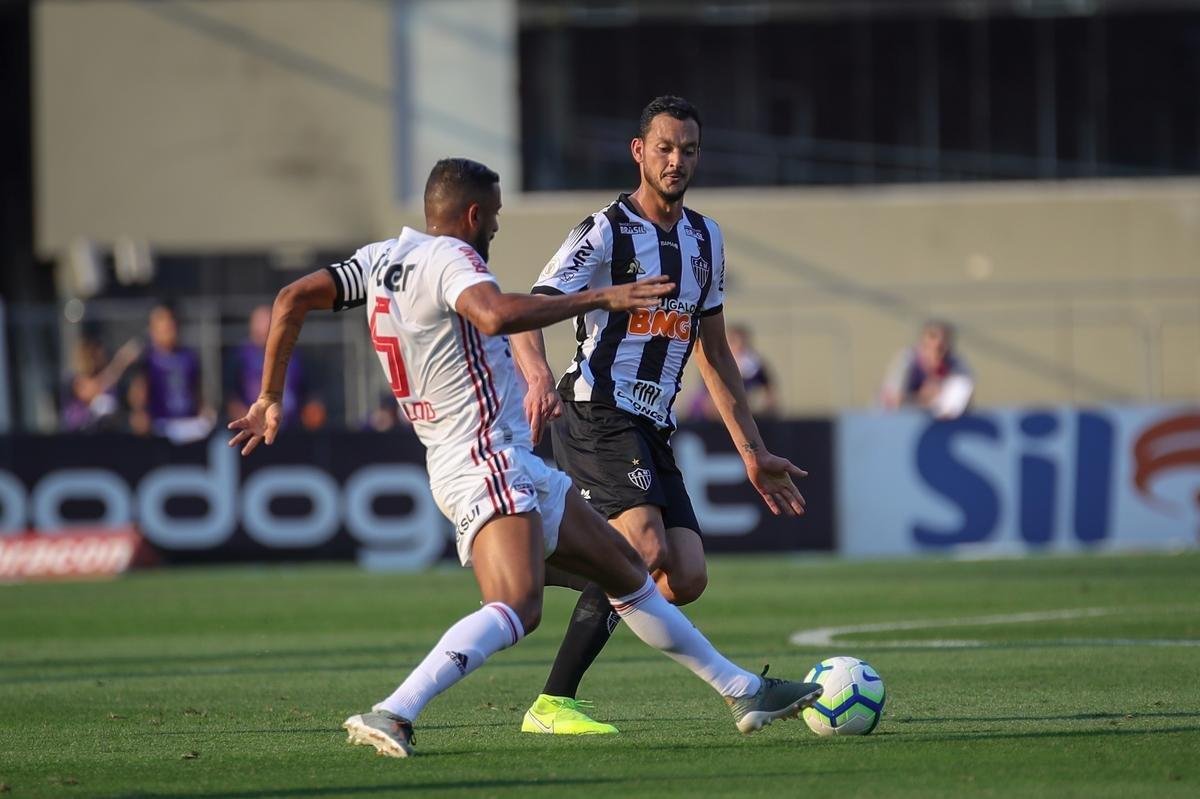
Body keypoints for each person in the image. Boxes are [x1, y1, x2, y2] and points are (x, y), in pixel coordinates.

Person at [227, 158, 821, 758]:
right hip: (485, 458)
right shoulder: (452, 259)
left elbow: (292, 297)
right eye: (497, 217)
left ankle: (743, 691)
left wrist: (270, 396)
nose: (497, 230)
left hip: (500, 460)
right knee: (517, 604)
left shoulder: (379, 259)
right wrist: (602, 296)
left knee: (626, 569)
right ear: (474, 214)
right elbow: (496, 314)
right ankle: (394, 711)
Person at [510, 95, 808, 735]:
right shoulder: (605, 231)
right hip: (596, 409)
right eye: (666, 148)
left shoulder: (706, 237)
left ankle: (535, 554)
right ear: (638, 152)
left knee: (686, 574)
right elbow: (529, 309)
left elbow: (715, 352)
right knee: (640, 547)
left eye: (690, 150)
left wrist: (752, 452)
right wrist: (538, 377)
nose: (677, 161)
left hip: (653, 424)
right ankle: (553, 703)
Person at [226, 304, 325, 430]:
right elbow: (230, 399)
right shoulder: (239, 357)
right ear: (252, 327)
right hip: (253, 427)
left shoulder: (295, 356)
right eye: (261, 323)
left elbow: (310, 395)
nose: (265, 329)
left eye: (270, 323)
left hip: (292, 428)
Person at [128, 304, 213, 441]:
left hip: (189, 426)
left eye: (171, 321)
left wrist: (205, 413)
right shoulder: (147, 359)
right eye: (162, 322)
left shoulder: (189, 357)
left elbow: (198, 392)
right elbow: (138, 397)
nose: (168, 326)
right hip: (160, 427)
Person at [880, 320, 974, 420]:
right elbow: (891, 401)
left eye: (944, 341)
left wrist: (938, 397)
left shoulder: (957, 365)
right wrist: (921, 398)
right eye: (932, 337)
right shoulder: (908, 360)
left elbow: (955, 407)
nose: (937, 343)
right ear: (922, 342)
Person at [686, 323, 778, 420]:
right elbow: (707, 396)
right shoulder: (717, 361)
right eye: (734, 342)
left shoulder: (753, 364)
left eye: (742, 342)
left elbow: (768, 389)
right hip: (711, 413)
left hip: (739, 411)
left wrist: (764, 406)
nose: (738, 347)